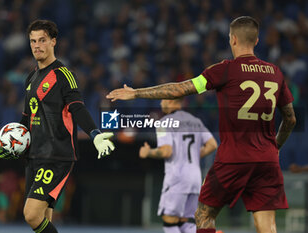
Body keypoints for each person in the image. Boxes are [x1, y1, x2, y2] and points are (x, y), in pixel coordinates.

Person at [107, 16, 296, 233]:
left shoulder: (225, 69)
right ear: (257, 40)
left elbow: (180, 89)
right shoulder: (276, 73)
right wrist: (276, 146)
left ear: (233, 39)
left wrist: (137, 93)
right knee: (267, 226)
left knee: (204, 214)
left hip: (233, 158)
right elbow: (290, 119)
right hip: (267, 160)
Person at [0, 19, 115, 233]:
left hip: (57, 155)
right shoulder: (31, 77)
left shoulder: (64, 75)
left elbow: (78, 108)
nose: (36, 45)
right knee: (42, 218)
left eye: (42, 40)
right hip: (34, 155)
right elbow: (26, 117)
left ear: (53, 42)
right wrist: (11, 142)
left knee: (30, 215)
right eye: (33, 41)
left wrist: (95, 134)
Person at [139, 98, 217, 233]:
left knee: (169, 221)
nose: (161, 103)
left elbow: (166, 151)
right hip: (195, 178)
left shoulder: (165, 122)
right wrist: (192, 155)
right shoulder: (195, 121)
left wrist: (148, 152)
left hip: (177, 177)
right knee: (183, 222)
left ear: (171, 101)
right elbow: (212, 145)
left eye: (163, 99)